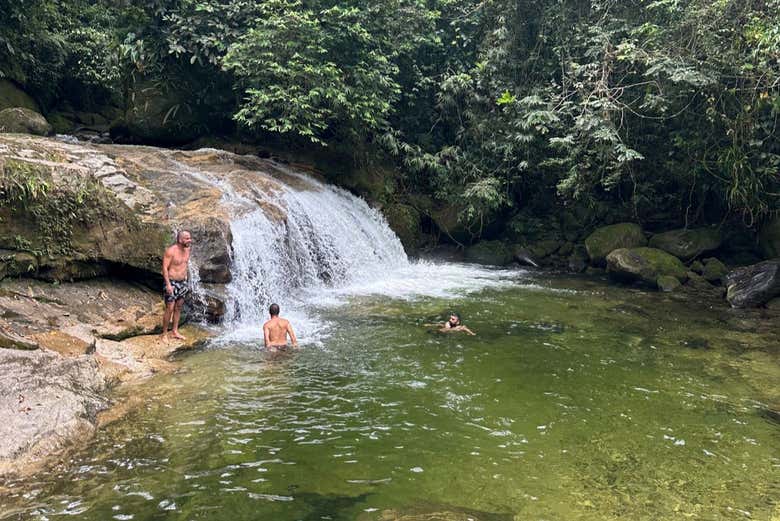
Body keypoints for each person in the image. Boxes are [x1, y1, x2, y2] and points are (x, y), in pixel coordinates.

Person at [161, 230, 192, 341]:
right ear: (180, 239)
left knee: (178, 307)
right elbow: (164, 268)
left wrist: (187, 279)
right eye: (187, 238)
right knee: (170, 307)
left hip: (182, 282)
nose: (190, 240)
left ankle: (174, 331)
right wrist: (168, 285)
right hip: (172, 282)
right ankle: (164, 334)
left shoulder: (188, 249)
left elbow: (185, 265)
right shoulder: (171, 251)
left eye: (190, 238)